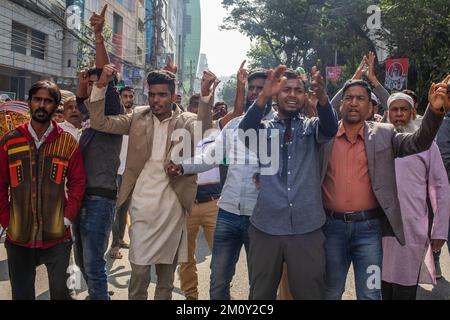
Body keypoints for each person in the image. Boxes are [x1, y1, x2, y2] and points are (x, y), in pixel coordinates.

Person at [86, 64, 214, 300]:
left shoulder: (185, 120)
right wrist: (101, 85)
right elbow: (100, 123)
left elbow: (205, 129)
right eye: (152, 94)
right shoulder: (137, 116)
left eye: (162, 95)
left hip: (172, 208)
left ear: (173, 96)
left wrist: (206, 95)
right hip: (142, 209)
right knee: (139, 275)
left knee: (165, 280)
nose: (156, 100)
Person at [321, 77, 449, 300]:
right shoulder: (324, 136)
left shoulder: (383, 134)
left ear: (370, 107)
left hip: (369, 232)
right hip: (332, 230)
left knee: (371, 292)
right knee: (331, 291)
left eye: (360, 98)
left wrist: (435, 112)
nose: (353, 103)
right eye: (348, 98)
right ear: (340, 104)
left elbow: (418, 142)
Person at [172, 67, 272, 300]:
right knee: (218, 283)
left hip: (261, 217)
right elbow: (210, 157)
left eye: (262, 89)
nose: (256, 93)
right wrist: (183, 166)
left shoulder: (278, 125)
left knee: (261, 284)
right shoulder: (234, 125)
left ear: (272, 92)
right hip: (227, 214)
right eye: (253, 89)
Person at [239, 66, 338, 300]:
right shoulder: (265, 130)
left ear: (305, 96)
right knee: (261, 295)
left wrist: (323, 97)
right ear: (276, 94)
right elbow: (245, 132)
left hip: (307, 228)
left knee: (310, 294)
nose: (292, 94)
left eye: (298, 90)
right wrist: (264, 94)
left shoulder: (312, 127)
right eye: (285, 90)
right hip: (266, 227)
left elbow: (331, 128)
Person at [0, 80, 86, 300]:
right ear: (30, 102)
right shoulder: (10, 141)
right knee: (21, 295)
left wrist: (67, 218)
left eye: (48, 101)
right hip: (19, 237)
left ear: (55, 107)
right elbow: (0, 184)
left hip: (58, 237)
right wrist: (7, 220)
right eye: (37, 99)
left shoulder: (67, 143)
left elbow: (77, 183)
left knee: (61, 294)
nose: (41, 105)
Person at [177, 62, 246, 300]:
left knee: (221, 258)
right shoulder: (181, 133)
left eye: (201, 106)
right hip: (186, 204)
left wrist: (240, 85)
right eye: (194, 106)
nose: (199, 111)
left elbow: (238, 112)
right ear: (188, 109)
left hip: (212, 204)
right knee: (185, 258)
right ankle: (191, 298)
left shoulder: (218, 128)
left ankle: (220, 296)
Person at [72, 5, 125, 300]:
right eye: (89, 84)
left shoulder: (111, 112)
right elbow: (81, 99)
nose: (94, 88)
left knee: (93, 265)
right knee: (80, 262)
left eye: (99, 85)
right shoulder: (86, 115)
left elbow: (104, 77)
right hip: (78, 198)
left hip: (100, 198)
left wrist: (98, 36)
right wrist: (84, 83)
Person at [381, 92, 450, 300]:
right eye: (394, 109)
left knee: (405, 289)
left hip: (411, 229)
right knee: (378, 288)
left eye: (404, 110)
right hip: (379, 229)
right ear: (387, 113)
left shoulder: (427, 145)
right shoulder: (377, 141)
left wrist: (439, 230)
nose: (399, 114)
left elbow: (441, 187)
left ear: (413, 113)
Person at [108, 86, 135, 259]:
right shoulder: (115, 116)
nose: (127, 98)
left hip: (130, 171)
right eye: (124, 96)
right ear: (119, 97)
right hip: (115, 170)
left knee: (124, 209)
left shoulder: (136, 117)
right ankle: (114, 245)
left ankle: (120, 239)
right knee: (116, 210)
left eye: (130, 96)